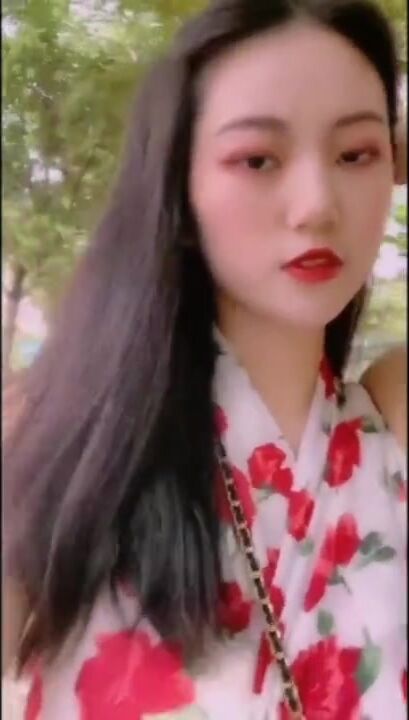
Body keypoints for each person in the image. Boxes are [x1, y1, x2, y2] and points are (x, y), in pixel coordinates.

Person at [3, 0, 407, 717]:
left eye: (355, 155)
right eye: (256, 159)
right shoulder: (57, 438)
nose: (317, 204)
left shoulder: (392, 426)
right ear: (177, 191)